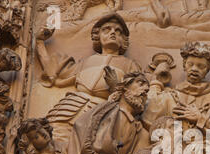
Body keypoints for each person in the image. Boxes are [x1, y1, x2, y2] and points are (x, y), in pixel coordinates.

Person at [36, 13, 141, 143]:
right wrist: (39, 42)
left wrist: (116, 87)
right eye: (106, 30)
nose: (113, 33)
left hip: (102, 114)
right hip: (68, 110)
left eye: (118, 31)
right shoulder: (85, 62)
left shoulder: (130, 65)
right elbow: (53, 70)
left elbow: (139, 99)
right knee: (55, 144)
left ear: (123, 40)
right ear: (98, 36)